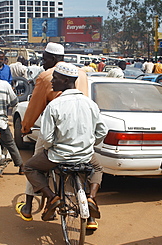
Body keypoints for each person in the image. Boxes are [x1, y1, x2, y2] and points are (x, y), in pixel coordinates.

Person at [17, 42, 103, 229]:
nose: (44, 62)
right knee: (95, 168)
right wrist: (89, 143)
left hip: (58, 141)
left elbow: (36, 111)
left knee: (31, 166)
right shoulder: (84, 78)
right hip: (83, 144)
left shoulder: (47, 81)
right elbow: (101, 130)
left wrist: (26, 128)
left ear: (54, 59)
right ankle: (91, 211)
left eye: (45, 58)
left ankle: (32, 205)